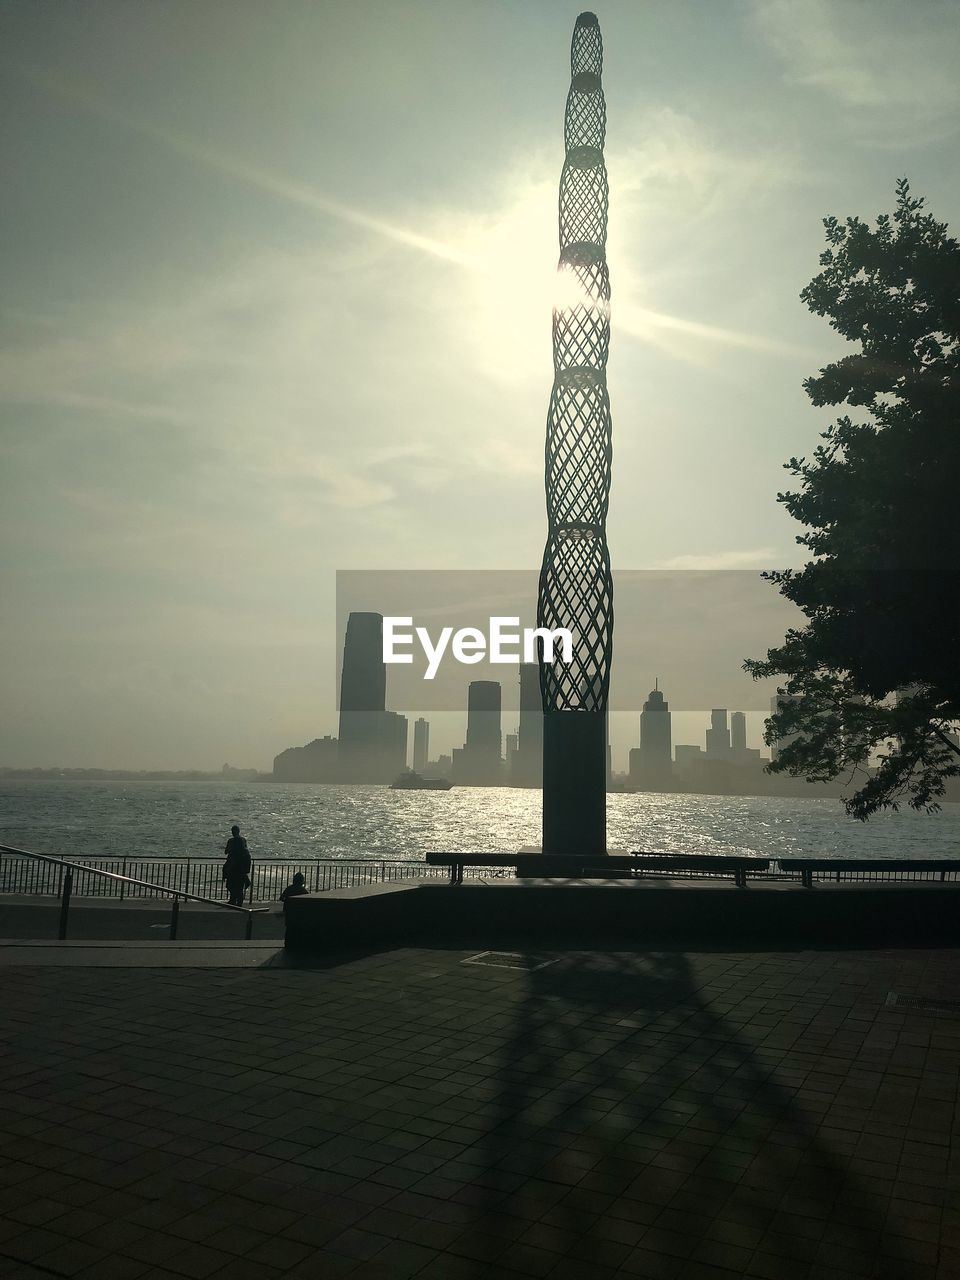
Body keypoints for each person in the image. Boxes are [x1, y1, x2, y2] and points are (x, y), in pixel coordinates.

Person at [222, 825, 252, 906]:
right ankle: (238, 901)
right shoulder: (244, 841)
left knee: (231, 884)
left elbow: (226, 851)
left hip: (233, 866)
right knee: (239, 885)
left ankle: (233, 900)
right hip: (241, 867)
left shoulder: (231, 841)